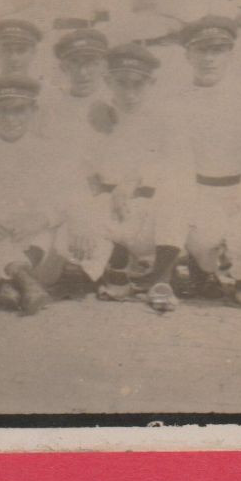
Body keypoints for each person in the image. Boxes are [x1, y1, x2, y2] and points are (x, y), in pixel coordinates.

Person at [158, 16, 241, 306]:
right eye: (201, 51)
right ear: (188, 55)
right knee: (199, 231)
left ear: (231, 53)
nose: (209, 59)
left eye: (218, 50)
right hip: (201, 190)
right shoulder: (175, 101)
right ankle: (203, 268)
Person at [73, 43, 191, 312]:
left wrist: (132, 180)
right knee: (72, 230)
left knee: (177, 194)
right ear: (107, 81)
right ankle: (117, 267)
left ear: (152, 83)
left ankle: (161, 277)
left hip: (149, 213)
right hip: (109, 209)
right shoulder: (96, 116)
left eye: (138, 84)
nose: (129, 93)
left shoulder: (167, 120)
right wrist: (96, 197)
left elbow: (176, 164)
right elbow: (82, 170)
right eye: (121, 83)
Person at [0, 74, 78, 315]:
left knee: (52, 229)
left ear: (34, 110)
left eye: (19, 110)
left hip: (38, 251)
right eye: (3, 111)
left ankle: (11, 281)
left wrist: (41, 218)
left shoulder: (49, 152)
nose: (11, 119)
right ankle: (21, 281)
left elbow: (66, 199)